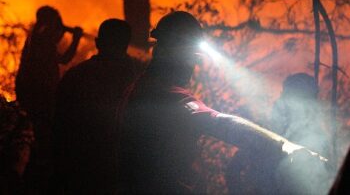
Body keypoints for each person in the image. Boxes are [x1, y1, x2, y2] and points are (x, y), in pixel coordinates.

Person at [117, 11, 328, 194]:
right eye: (188, 56)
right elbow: (222, 122)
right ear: (164, 52)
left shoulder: (141, 89)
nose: (193, 66)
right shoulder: (167, 97)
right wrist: (285, 147)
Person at [52, 19, 138, 194]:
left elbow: (58, 125)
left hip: (78, 169)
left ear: (98, 43)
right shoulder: (139, 81)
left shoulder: (76, 76)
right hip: (119, 171)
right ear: (126, 45)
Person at [15, 5, 83, 194]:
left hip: (33, 96)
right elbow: (65, 59)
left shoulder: (37, 37)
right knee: (44, 139)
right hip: (41, 98)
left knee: (39, 137)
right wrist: (76, 38)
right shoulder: (42, 39)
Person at [269, 73, 330, 157]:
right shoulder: (267, 140)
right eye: (282, 94)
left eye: (286, 96)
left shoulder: (317, 144)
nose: (278, 102)